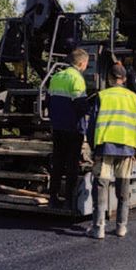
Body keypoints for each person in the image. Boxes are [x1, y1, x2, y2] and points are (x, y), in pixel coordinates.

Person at [86, 63, 136, 239]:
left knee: (101, 187)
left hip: (104, 147)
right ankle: (121, 227)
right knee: (123, 189)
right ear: (124, 79)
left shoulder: (102, 96)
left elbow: (92, 125)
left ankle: (98, 229)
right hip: (127, 148)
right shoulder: (134, 98)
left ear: (109, 78)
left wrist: (93, 147)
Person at [47, 48, 89, 209]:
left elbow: (48, 101)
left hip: (57, 127)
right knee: (72, 164)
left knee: (57, 163)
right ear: (81, 63)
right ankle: (69, 200)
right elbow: (80, 106)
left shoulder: (56, 76)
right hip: (73, 128)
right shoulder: (77, 79)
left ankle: (53, 197)